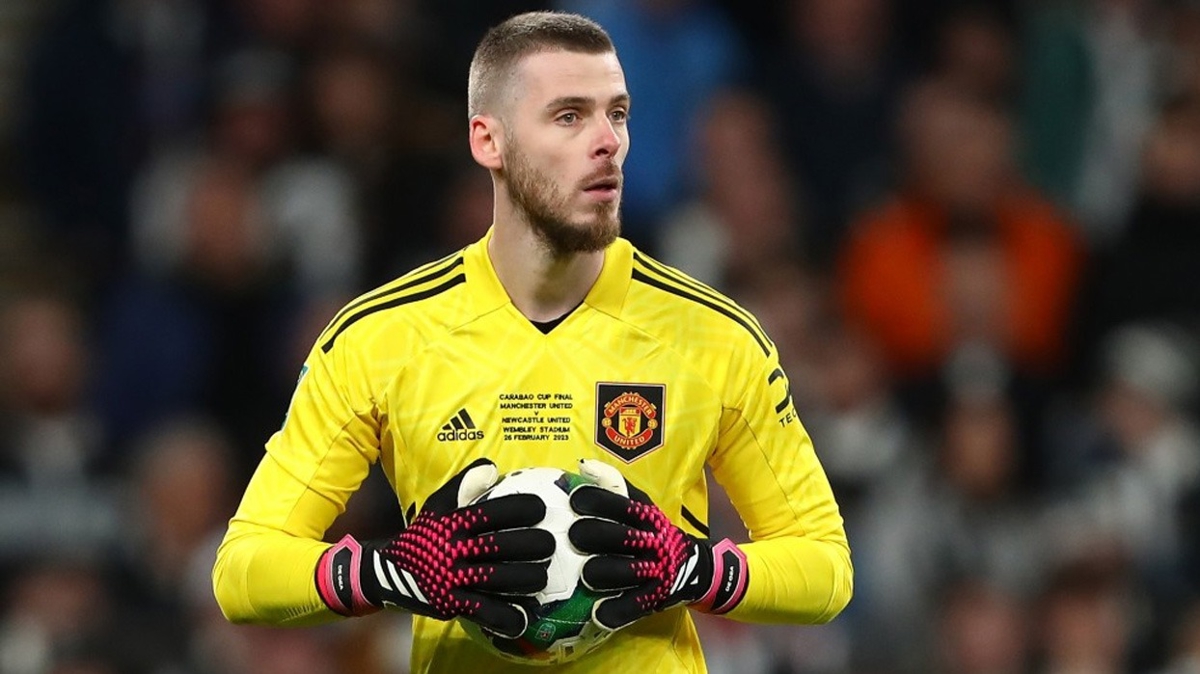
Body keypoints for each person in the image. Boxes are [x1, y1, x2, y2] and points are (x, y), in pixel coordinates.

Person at [212, 10, 852, 672]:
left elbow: (826, 568)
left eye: (618, 114)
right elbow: (243, 572)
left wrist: (693, 570)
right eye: (569, 116)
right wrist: (394, 572)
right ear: (488, 140)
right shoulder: (380, 339)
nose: (607, 142)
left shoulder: (713, 337)